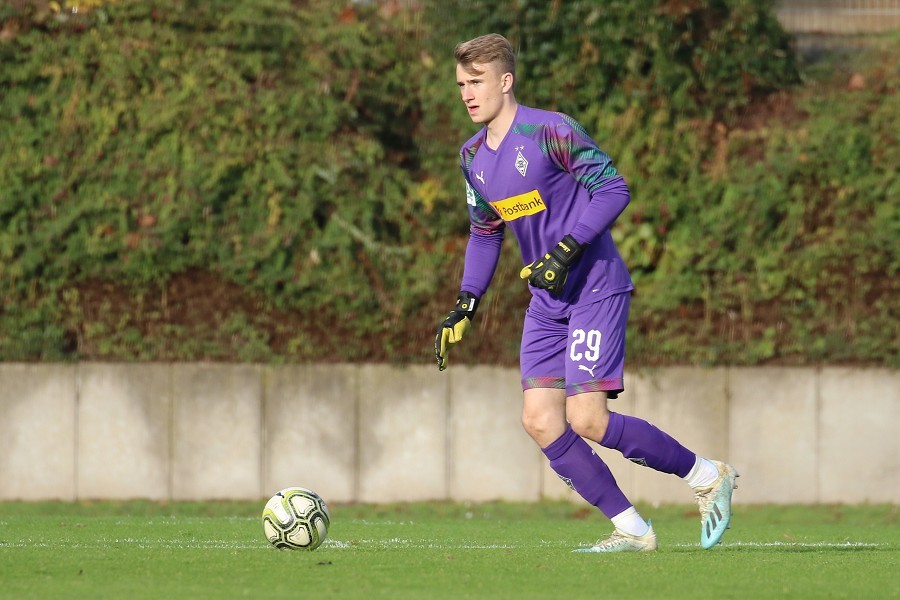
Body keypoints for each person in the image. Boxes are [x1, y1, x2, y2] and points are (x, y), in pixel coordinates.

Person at [434, 33, 738, 552]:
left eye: (477, 81)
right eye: (461, 83)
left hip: (595, 284)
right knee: (539, 419)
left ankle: (708, 475)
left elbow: (613, 187)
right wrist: (466, 301)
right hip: (547, 302)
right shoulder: (472, 158)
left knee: (587, 418)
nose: (467, 93)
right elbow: (485, 233)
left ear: (506, 81)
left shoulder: (549, 130)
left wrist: (566, 250)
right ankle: (632, 529)